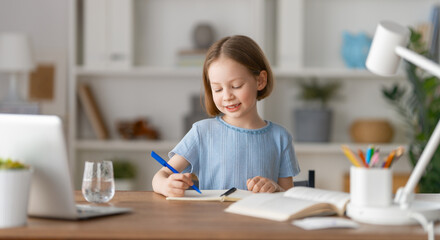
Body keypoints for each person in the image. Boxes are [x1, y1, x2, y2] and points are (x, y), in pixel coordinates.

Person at [152, 35, 300, 197]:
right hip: (216, 221)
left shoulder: (280, 137)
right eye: (217, 89)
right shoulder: (202, 132)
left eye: (236, 86)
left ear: (260, 81)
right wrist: (166, 185)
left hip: (260, 221)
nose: (227, 96)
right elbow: (160, 176)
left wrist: (276, 189)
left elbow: (289, 196)